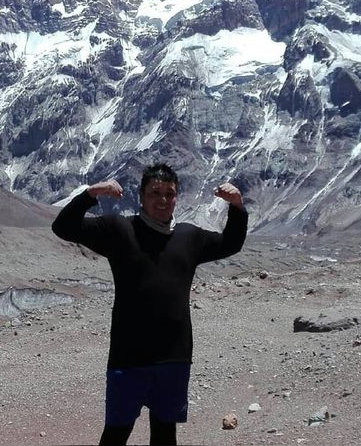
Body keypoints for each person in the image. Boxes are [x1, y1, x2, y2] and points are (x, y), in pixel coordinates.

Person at [52, 163, 248, 446]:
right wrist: (90, 194)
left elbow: (231, 243)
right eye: (155, 192)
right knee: (116, 434)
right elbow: (63, 227)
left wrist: (237, 206)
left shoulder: (189, 237)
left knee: (165, 435)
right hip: (127, 356)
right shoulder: (119, 229)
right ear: (141, 196)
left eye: (170, 193)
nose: (163, 199)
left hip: (174, 356)